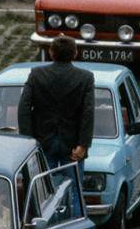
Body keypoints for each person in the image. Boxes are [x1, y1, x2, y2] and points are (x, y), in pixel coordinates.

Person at [18, 35, 95, 169]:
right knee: (73, 187)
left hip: (42, 142)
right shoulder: (86, 78)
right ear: (75, 53)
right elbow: (88, 112)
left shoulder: (36, 74)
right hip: (73, 145)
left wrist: (27, 140)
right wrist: (83, 145)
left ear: (51, 53)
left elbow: (24, 107)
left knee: (43, 187)